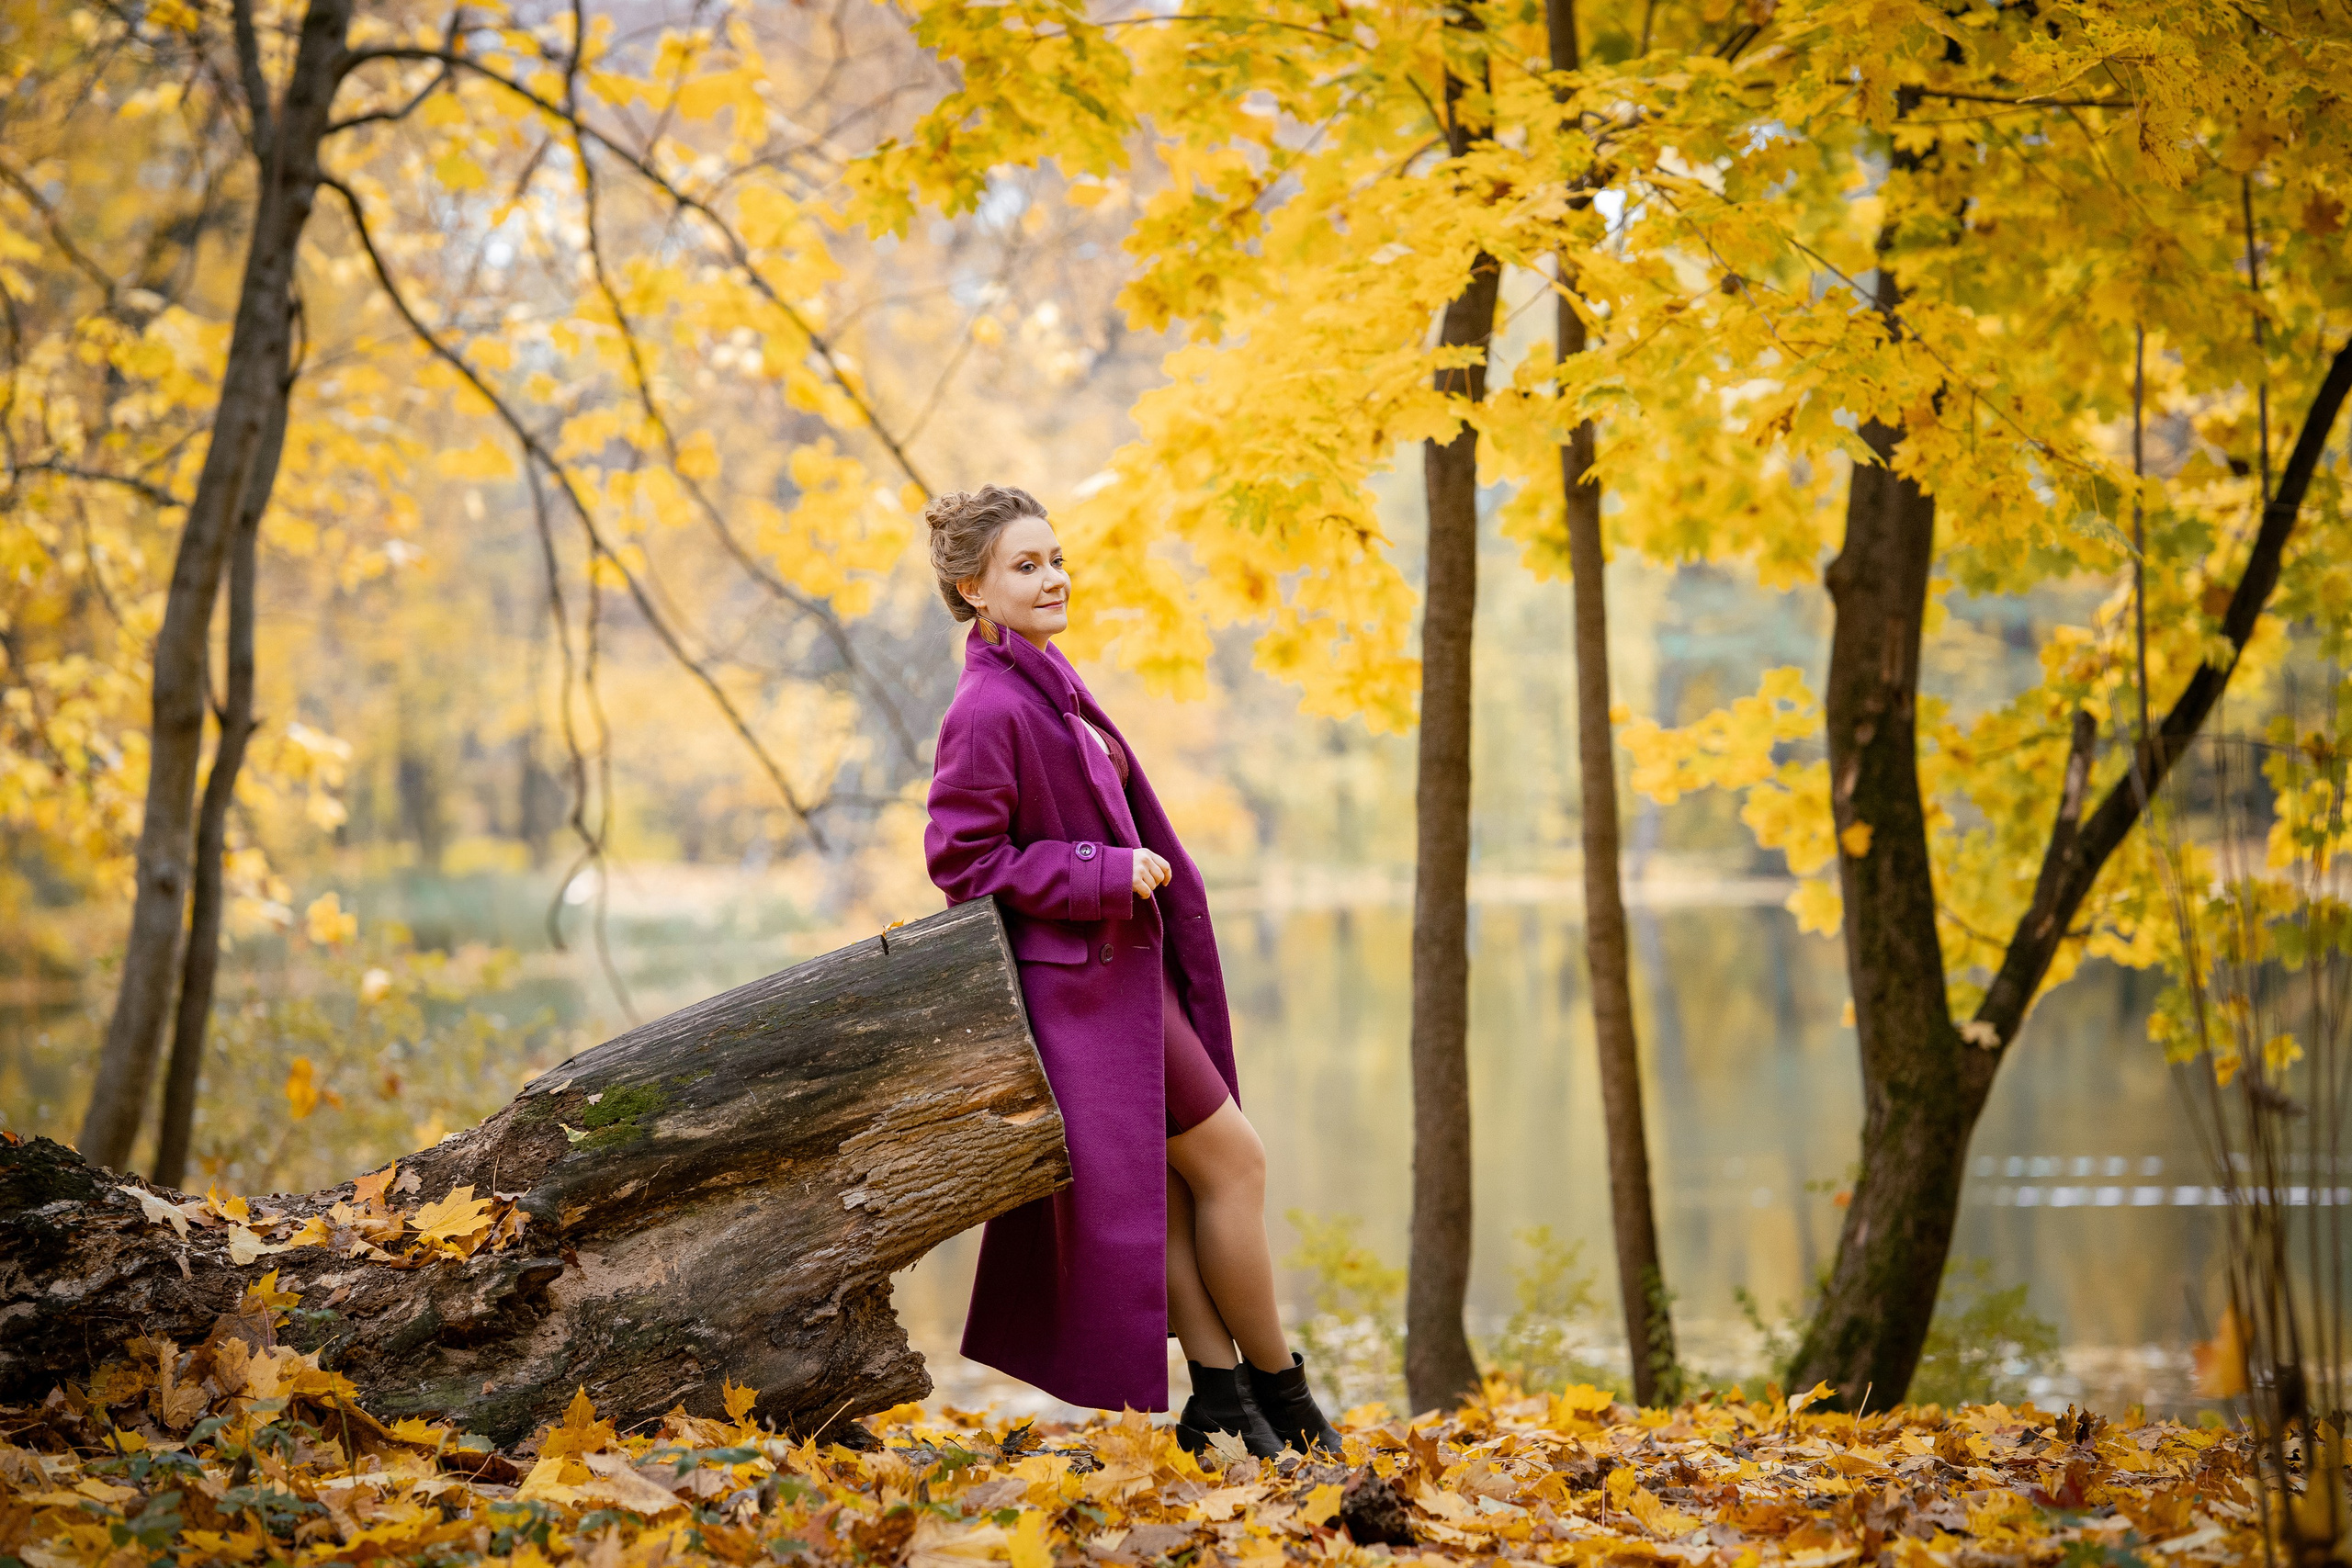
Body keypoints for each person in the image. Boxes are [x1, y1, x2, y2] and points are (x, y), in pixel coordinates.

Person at [922, 484, 1342, 1458]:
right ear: (971, 587)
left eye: (1054, 558)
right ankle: (1285, 1399)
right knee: (1235, 1163)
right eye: (1025, 566)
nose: (1053, 576)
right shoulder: (985, 706)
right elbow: (964, 864)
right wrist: (1098, 872)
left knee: (1180, 1185)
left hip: (1121, 979)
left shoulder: (1042, 676)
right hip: (1084, 991)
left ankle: (1219, 1400)